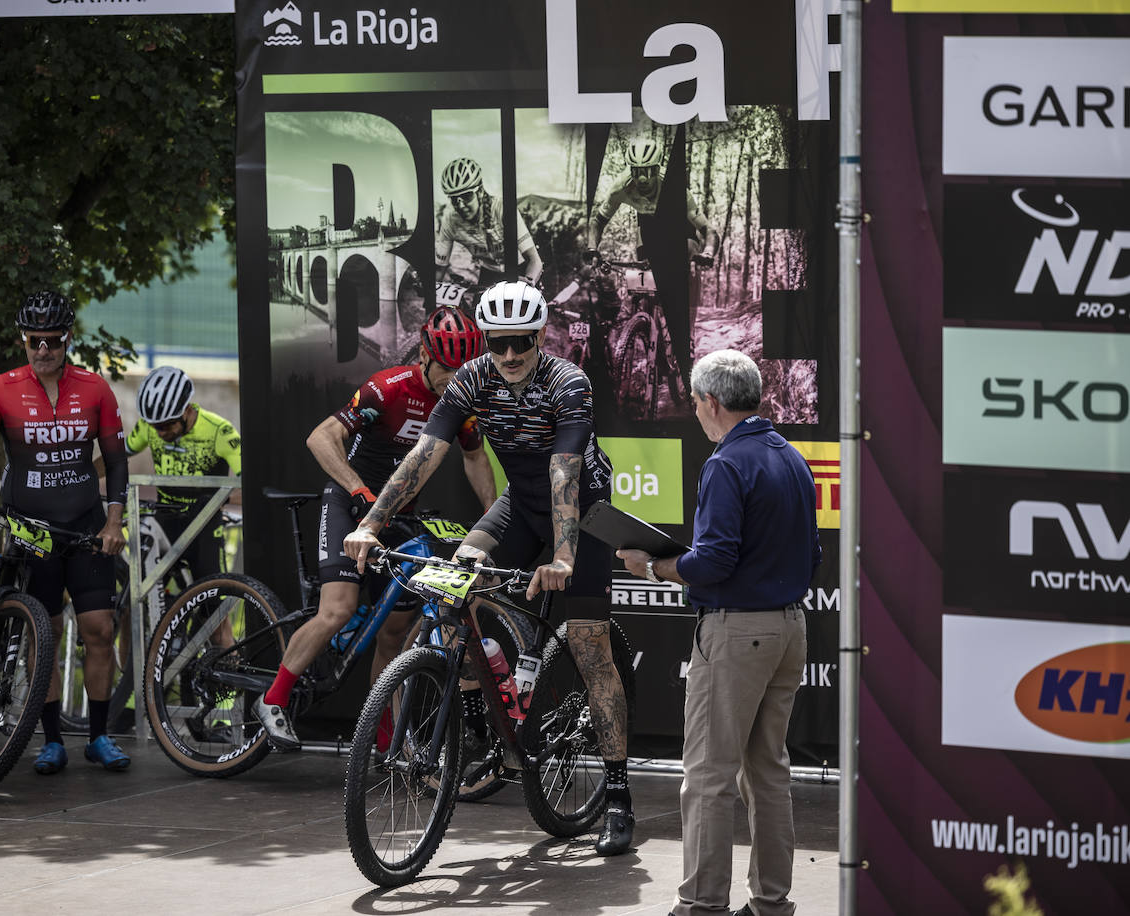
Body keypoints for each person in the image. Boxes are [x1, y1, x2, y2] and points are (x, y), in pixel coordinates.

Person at [343, 279, 637, 857]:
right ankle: (488, 712)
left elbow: (564, 471)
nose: (508, 356)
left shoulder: (566, 383)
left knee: (590, 647)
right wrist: (372, 523)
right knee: (456, 587)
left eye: (519, 344)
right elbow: (423, 456)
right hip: (518, 508)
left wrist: (564, 555)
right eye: (497, 343)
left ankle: (620, 795)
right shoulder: (474, 379)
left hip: (579, 510)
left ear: (539, 336)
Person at [616, 349, 820, 916]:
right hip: (788, 627)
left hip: (736, 632)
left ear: (710, 402)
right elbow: (814, 553)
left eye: (695, 404)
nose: (696, 414)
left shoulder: (726, 463)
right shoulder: (792, 457)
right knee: (768, 773)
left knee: (708, 776)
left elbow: (712, 563)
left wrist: (653, 567)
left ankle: (702, 905)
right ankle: (773, 903)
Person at [253, 307, 496, 751]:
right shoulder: (388, 388)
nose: (453, 377)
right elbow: (320, 437)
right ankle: (274, 699)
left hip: (399, 516)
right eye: (446, 367)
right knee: (338, 611)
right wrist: (358, 489)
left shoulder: (462, 400)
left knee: (395, 633)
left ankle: (384, 742)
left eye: (463, 368)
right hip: (353, 504)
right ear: (425, 354)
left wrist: (491, 519)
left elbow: (475, 456)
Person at [0, 290, 131, 775]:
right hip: (32, 532)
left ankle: (100, 735)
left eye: (53, 342)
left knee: (99, 630)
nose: (43, 351)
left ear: (67, 340)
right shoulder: (2, 388)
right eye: (34, 341)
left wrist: (114, 521)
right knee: (45, 634)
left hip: (85, 529)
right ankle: (51, 739)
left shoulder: (95, 389)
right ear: (24, 340)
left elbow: (118, 461)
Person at [585, 136, 720, 404]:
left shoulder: (676, 190)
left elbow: (708, 229)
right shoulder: (621, 187)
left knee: (687, 257)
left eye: (648, 171)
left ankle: (686, 334)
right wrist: (592, 248)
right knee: (641, 273)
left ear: (657, 169)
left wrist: (707, 252)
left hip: (680, 230)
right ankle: (643, 326)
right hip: (648, 228)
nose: (643, 178)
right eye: (637, 171)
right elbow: (596, 222)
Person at [125, 365, 242, 579]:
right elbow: (115, 457)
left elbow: (251, 484)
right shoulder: (148, 427)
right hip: (165, 517)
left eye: (167, 425)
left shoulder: (219, 431)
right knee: (138, 588)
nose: (160, 432)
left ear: (186, 410)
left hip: (204, 524)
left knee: (213, 598)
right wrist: (85, 476)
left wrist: (220, 499)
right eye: (154, 426)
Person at [436, 156, 543, 288]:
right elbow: (440, 269)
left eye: (466, 196)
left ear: (480, 191)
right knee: (477, 308)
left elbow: (535, 260)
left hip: (520, 270)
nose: (461, 205)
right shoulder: (450, 221)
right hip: (489, 274)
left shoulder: (502, 208)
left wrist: (529, 282)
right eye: (454, 199)